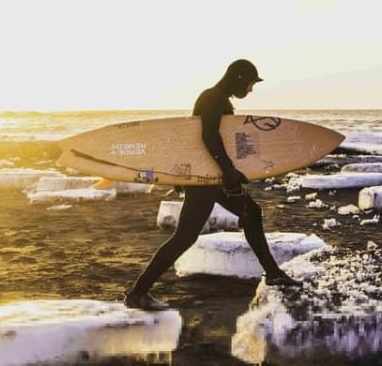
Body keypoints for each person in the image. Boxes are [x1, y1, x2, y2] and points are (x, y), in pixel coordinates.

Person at [123, 59, 300, 311]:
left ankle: (273, 273)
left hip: (211, 176)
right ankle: (137, 293)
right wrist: (226, 170)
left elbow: (196, 139)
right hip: (208, 179)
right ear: (239, 78)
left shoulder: (217, 99)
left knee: (251, 213)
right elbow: (207, 135)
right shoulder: (212, 98)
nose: (250, 90)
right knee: (185, 237)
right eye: (250, 84)